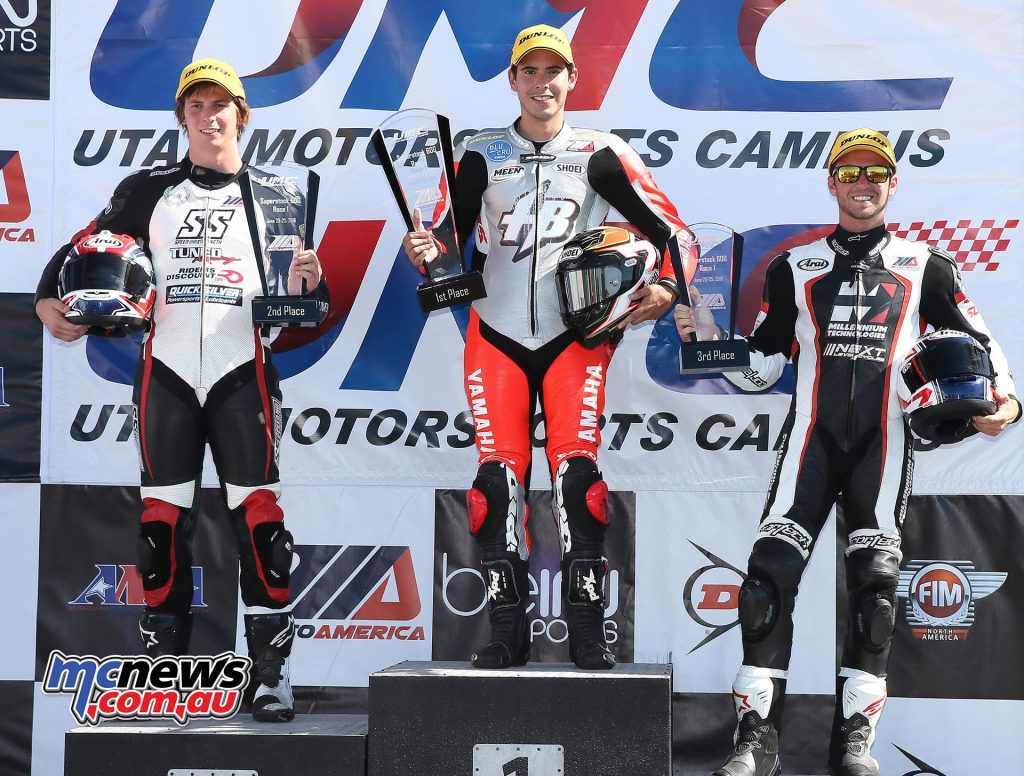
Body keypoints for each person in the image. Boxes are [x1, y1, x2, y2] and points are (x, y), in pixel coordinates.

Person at [676, 127, 1020, 776]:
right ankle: (756, 740)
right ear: (831, 182)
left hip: (881, 450)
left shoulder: (928, 266)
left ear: (894, 184)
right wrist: (706, 341)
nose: (864, 183)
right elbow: (762, 365)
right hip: (809, 444)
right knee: (764, 581)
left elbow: (980, 343)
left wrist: (1007, 403)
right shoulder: (795, 267)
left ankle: (854, 742)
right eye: (851, 172)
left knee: (877, 596)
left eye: (876, 173)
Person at [35, 58, 329, 722]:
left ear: (242, 113)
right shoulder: (146, 189)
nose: (208, 114)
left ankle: (272, 676)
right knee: (159, 530)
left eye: (220, 104)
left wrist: (313, 284)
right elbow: (78, 253)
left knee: (262, 527)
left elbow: (310, 306)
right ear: (182, 116)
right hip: (164, 375)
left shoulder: (281, 193)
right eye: (195, 105)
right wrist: (45, 303)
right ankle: (165, 680)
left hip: (243, 374)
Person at [403, 24, 695, 670]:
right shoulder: (479, 153)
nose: (542, 83)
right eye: (529, 72)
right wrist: (425, 251)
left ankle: (588, 632)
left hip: (578, 337)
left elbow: (673, 230)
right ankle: (507, 634)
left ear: (572, 79)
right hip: (495, 333)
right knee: (493, 488)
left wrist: (669, 288)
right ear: (512, 80)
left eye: (553, 71)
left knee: (579, 483)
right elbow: (445, 241)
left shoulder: (601, 152)